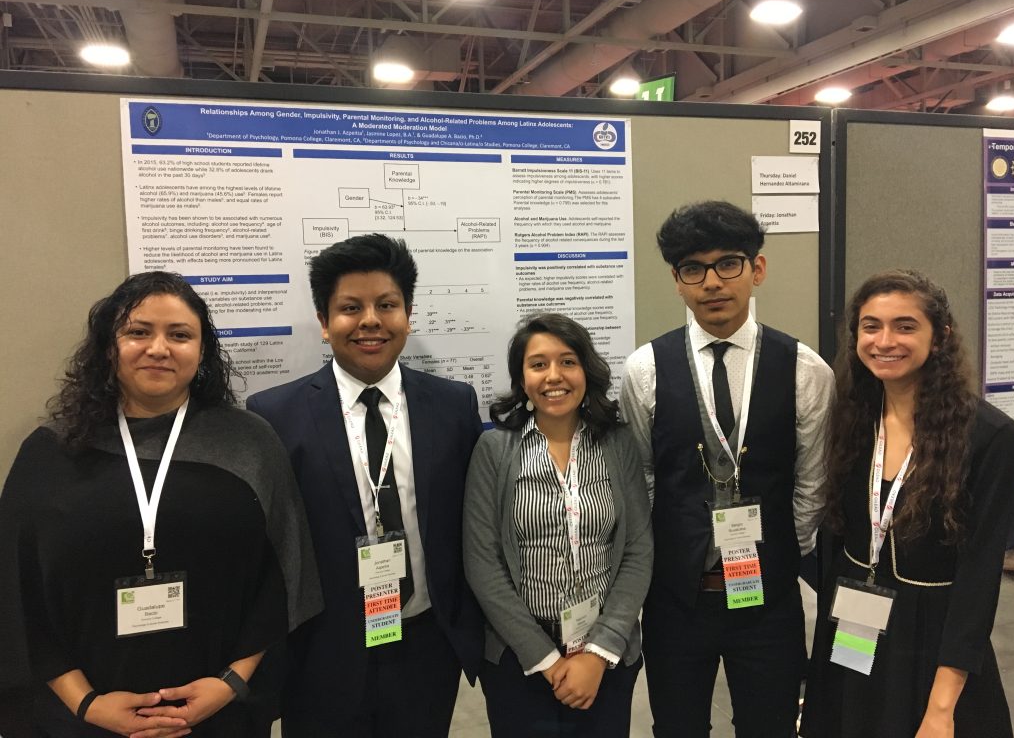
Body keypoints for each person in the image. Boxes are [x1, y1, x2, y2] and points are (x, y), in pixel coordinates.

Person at [0, 271, 322, 738]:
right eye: (138, 332)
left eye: (179, 335)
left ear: (202, 350)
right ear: (109, 346)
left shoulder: (249, 443)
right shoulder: (51, 451)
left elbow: (282, 577)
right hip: (84, 720)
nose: (158, 348)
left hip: (217, 713)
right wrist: (87, 704)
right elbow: (18, 592)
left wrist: (230, 683)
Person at [247, 234, 484, 738]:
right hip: (324, 652)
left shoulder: (453, 405)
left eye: (387, 305)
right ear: (324, 321)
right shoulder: (275, 415)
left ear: (408, 313)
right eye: (350, 307)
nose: (370, 321)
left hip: (425, 643)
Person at [619, 200, 835, 737]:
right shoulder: (644, 370)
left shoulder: (805, 369)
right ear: (677, 280)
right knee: (677, 726)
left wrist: (779, 551)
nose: (712, 282)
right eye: (694, 269)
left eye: (728, 264)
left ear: (756, 269)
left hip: (770, 600)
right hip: (676, 601)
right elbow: (642, 477)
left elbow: (812, 484)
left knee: (770, 725)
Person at [800, 269, 1014, 738]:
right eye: (871, 325)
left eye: (905, 326)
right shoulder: (851, 419)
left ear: (938, 337)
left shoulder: (991, 436)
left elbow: (980, 580)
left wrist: (942, 707)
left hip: (936, 634)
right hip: (855, 620)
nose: (885, 341)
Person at [463, 313, 653, 738]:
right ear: (522, 377)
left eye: (568, 362)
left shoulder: (617, 443)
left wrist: (598, 653)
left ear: (586, 370)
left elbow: (638, 550)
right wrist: (548, 662)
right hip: (520, 660)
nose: (554, 376)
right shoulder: (494, 449)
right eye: (538, 364)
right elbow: (483, 565)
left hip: (606, 656)